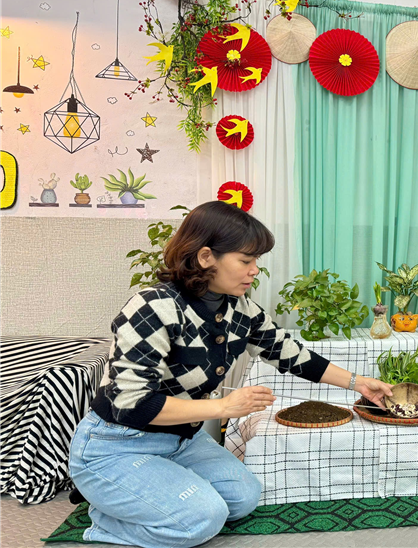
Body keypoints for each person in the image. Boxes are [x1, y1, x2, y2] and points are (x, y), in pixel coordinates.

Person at [68, 201, 393, 548]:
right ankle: (104, 517)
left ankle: (141, 492)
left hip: (181, 441)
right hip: (118, 443)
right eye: (245, 260)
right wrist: (224, 407)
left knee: (242, 498)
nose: (255, 270)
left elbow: (291, 355)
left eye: (257, 261)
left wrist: (359, 383)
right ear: (206, 257)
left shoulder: (240, 309)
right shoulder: (153, 307)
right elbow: (132, 405)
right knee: (201, 519)